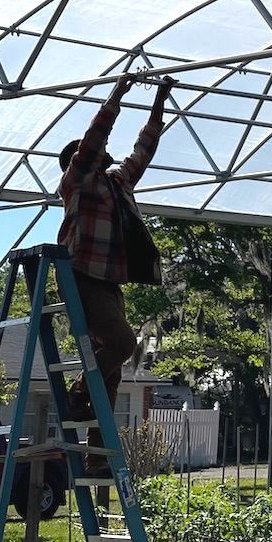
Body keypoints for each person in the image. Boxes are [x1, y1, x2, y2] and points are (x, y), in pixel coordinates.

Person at [57, 72, 176, 471]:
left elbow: (145, 148)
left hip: (108, 281)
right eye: (96, 155)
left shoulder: (118, 183)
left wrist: (160, 99)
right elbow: (94, 139)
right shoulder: (76, 182)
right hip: (80, 275)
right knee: (124, 344)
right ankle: (77, 393)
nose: (104, 156)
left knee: (110, 375)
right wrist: (117, 95)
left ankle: (98, 456)